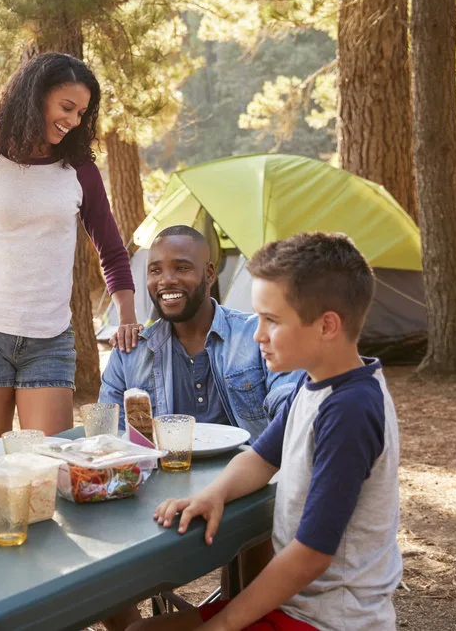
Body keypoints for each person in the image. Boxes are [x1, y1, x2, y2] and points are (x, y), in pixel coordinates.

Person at [129, 232, 402, 631]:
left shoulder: (349, 410)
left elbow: (311, 555)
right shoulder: (317, 383)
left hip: (330, 618)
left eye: (271, 321)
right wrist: (213, 494)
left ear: (327, 325)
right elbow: (261, 457)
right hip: (298, 603)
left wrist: (221, 625)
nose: (257, 335)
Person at [0, 52, 139, 437]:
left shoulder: (80, 172)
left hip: (50, 339)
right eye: (66, 107)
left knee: (52, 466)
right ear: (35, 98)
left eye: (82, 113)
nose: (73, 121)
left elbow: (111, 248)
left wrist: (127, 316)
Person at [100, 226, 302, 440]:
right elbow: (109, 436)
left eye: (182, 268)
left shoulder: (257, 338)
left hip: (251, 469)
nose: (166, 280)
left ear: (209, 274)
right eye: (155, 270)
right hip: (166, 471)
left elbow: (291, 410)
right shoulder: (129, 352)